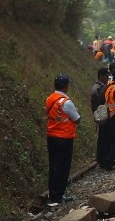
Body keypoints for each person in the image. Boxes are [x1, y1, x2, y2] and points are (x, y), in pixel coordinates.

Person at [45, 74, 81, 204]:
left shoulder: (50, 98)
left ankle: (53, 193)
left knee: (53, 165)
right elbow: (77, 119)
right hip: (64, 138)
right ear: (66, 86)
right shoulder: (66, 102)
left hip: (51, 136)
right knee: (62, 166)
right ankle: (58, 195)